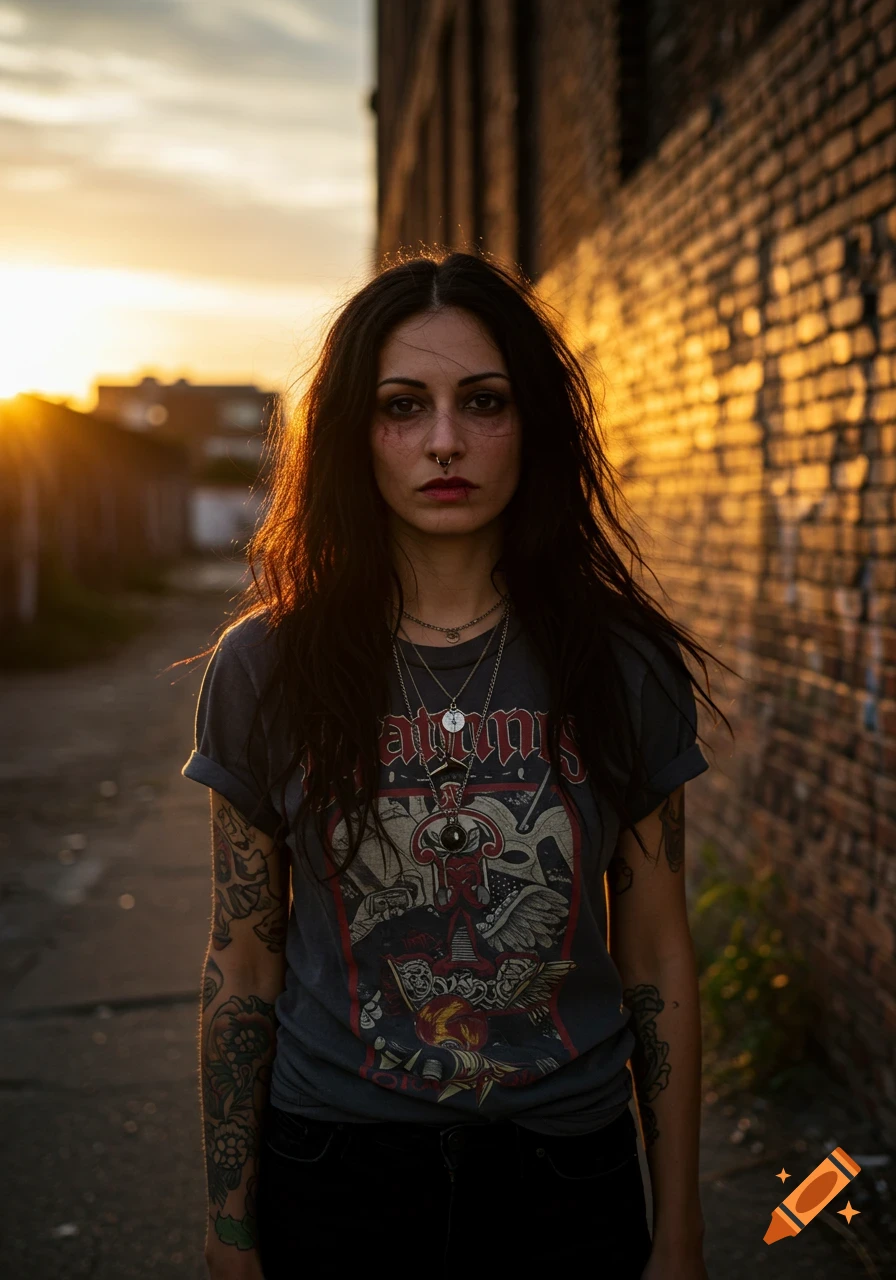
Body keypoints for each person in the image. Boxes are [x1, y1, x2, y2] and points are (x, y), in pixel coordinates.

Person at [182, 250, 733, 1279]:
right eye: (402, 406)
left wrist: (680, 1228)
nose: (443, 441)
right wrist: (229, 1225)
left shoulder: (618, 663)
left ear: (531, 423)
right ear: (354, 433)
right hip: (332, 1165)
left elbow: (655, 952)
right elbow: (241, 959)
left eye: (481, 401)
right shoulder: (268, 664)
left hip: (566, 1175)